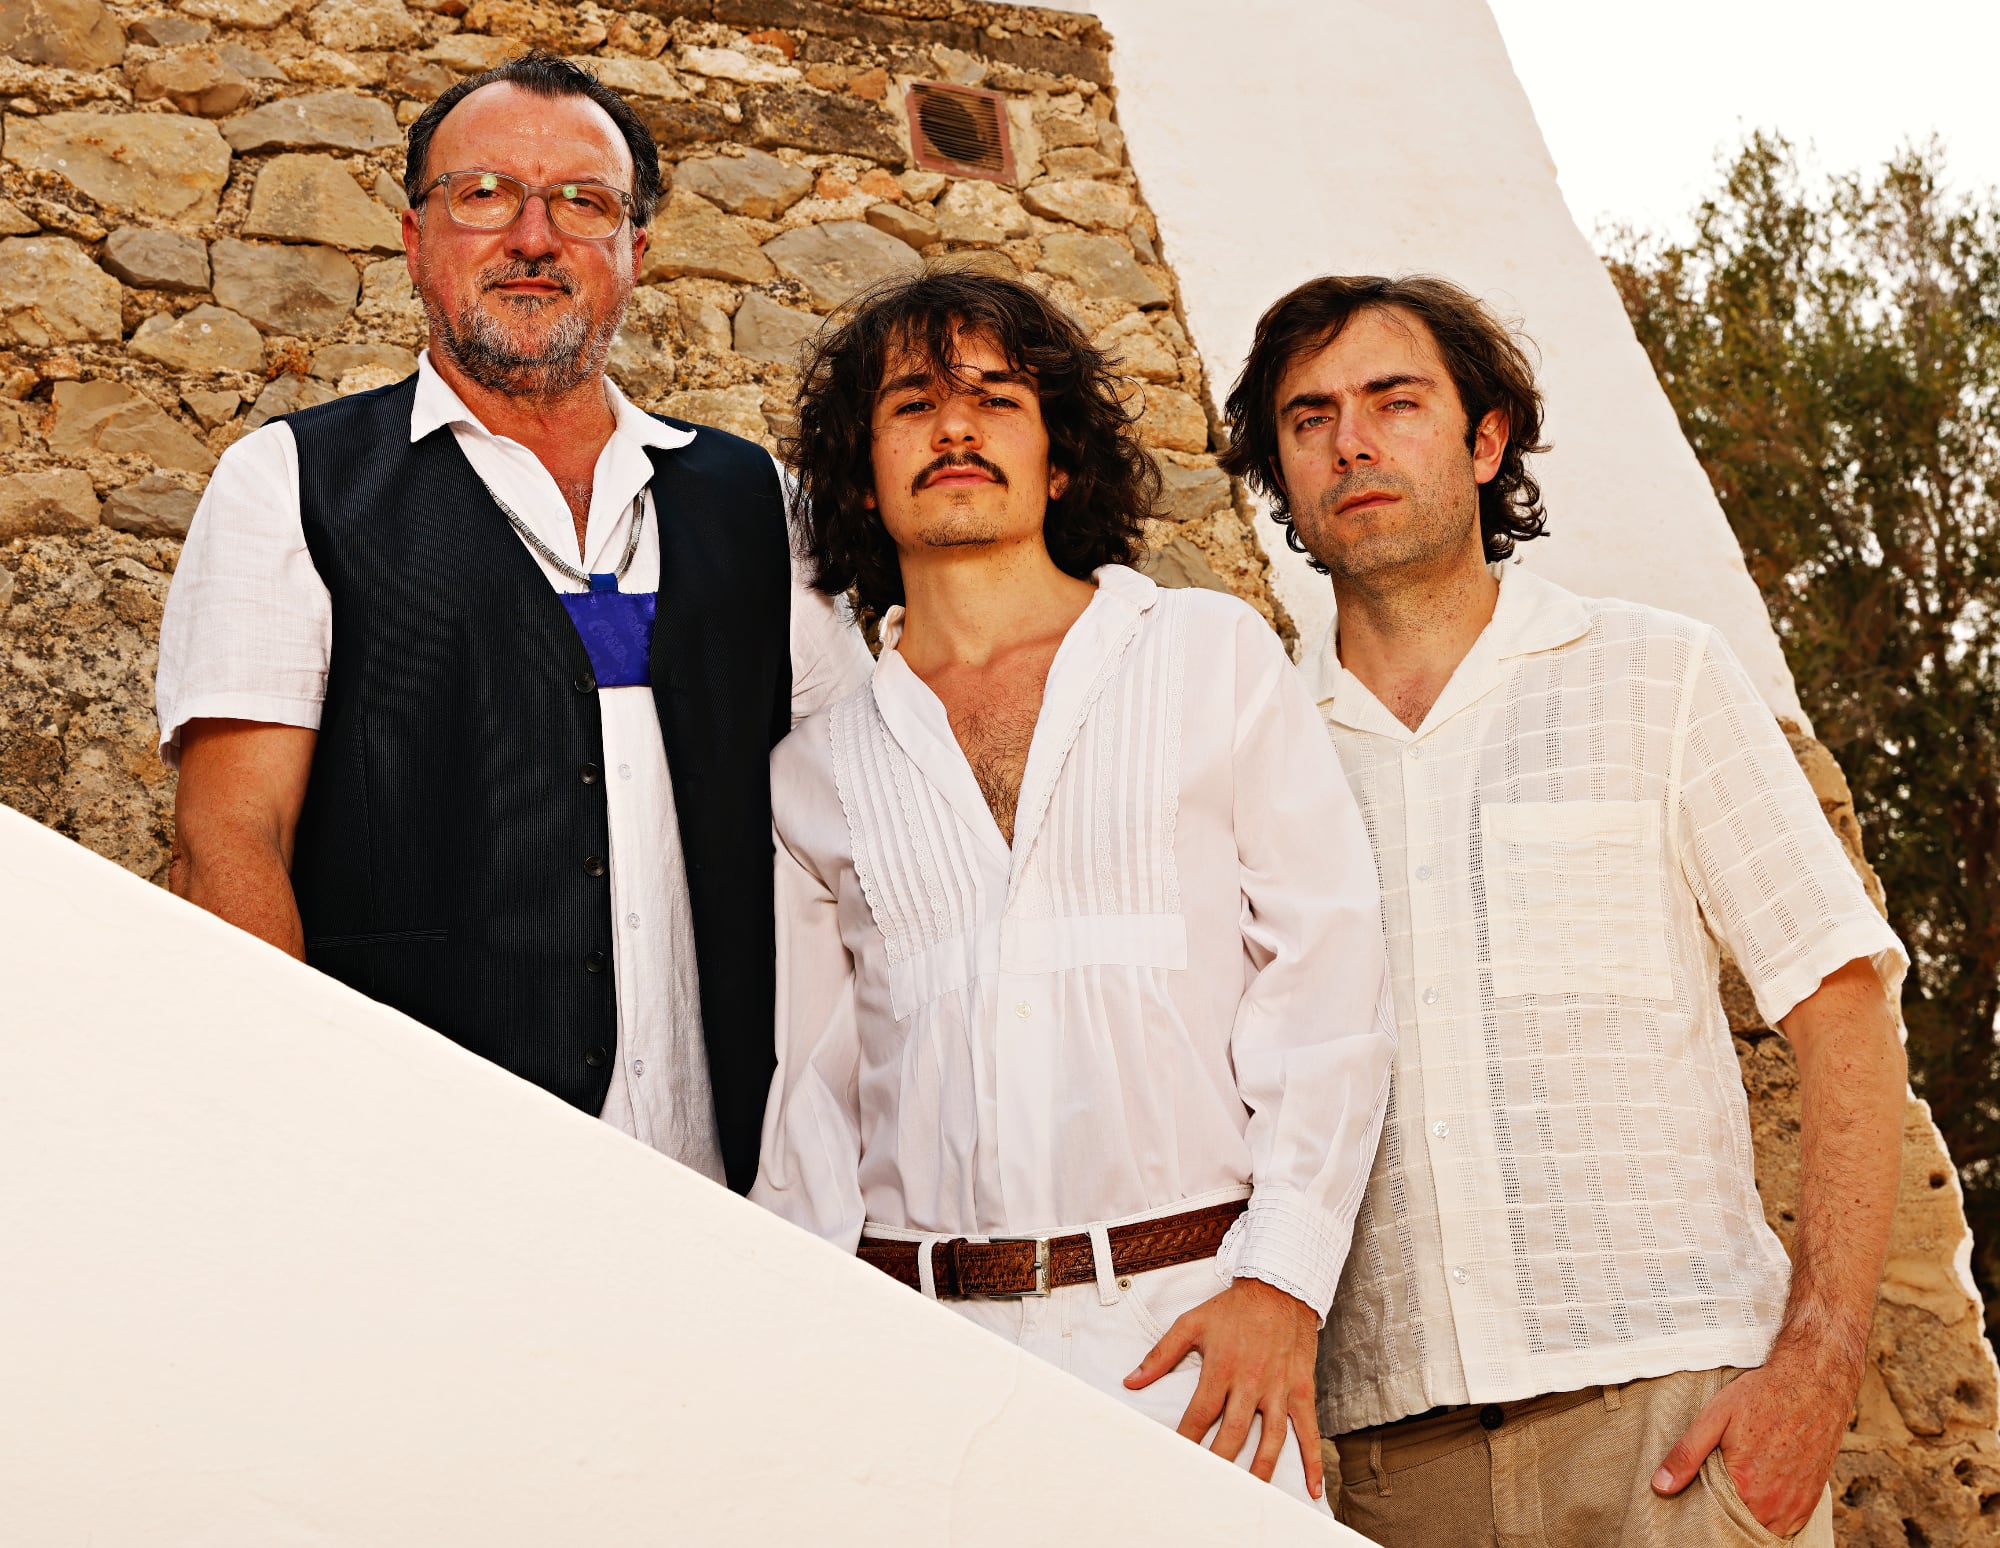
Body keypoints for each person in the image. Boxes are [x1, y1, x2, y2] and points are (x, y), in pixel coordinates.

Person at [1219, 273, 1909, 1545]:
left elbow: (1843, 1014)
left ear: (1484, 441)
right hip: (1382, 1471)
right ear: (1280, 474)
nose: (1350, 441)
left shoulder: (1657, 676)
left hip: (1674, 1433)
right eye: (1307, 418)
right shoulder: (1255, 750)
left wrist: (1816, 1367)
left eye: (1393, 401)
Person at [155, 54, 870, 1191]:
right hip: (426, 1172)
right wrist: (296, 1138)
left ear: (634, 250)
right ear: (414, 238)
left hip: (742, 1185)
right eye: (483, 194)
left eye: (583, 203)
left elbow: (857, 815)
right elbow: (232, 840)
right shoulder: (290, 482)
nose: (533, 237)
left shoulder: (755, 501)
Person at [747, 267, 1395, 1512]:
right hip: (921, 1359)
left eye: (996, 399)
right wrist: (826, 1348)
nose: (953, 426)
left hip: (1194, 1343)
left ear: (1057, 465)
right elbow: (810, 1097)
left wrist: (1282, 1282)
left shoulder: (1207, 656)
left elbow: (1327, 980)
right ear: (860, 477)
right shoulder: (814, 768)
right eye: (911, 405)